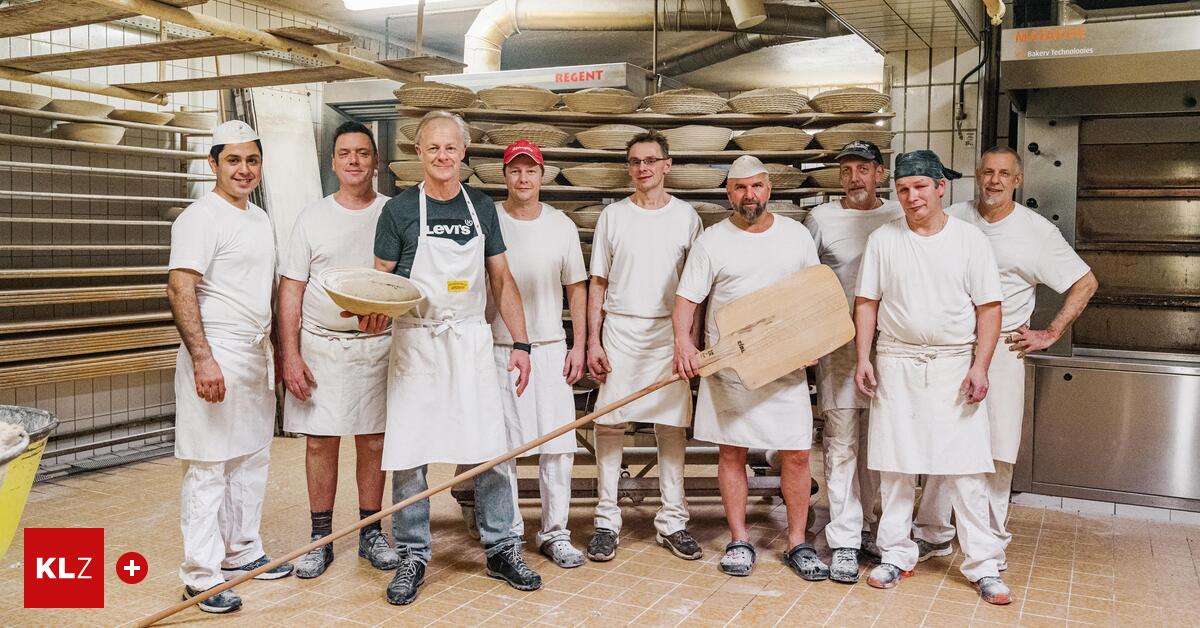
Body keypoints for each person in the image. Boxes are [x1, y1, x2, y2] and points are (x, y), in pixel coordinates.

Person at [371, 111, 539, 605]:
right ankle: (412, 554)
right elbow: (380, 281)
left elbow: (501, 280)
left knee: (489, 447)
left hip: (469, 340)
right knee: (410, 452)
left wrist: (523, 344)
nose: (442, 156)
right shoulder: (399, 210)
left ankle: (502, 547)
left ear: (463, 154)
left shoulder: (482, 207)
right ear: (419, 154)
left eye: (451, 148)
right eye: (433, 148)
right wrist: (370, 313)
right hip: (418, 342)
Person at [913, 146, 1097, 568]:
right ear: (977, 176)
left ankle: (991, 541)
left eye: (1003, 174)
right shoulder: (953, 217)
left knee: (997, 450)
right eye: (986, 172)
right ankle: (933, 532)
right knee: (944, 441)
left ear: (1018, 181)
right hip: (952, 349)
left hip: (1003, 352)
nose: (993, 181)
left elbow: (1085, 282)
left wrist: (1051, 332)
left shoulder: (1035, 232)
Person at [854, 150, 1012, 604]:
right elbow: (867, 302)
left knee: (965, 470)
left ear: (941, 187)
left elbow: (989, 309)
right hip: (896, 362)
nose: (911, 197)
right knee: (896, 467)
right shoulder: (884, 239)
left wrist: (980, 366)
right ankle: (895, 554)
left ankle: (984, 564)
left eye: (920, 187)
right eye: (903, 189)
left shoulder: (969, 241)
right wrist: (864, 358)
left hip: (952, 365)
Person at [674, 155, 829, 580]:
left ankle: (798, 542)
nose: (749, 196)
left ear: (769, 189)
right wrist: (684, 343)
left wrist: (813, 341)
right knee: (732, 450)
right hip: (732, 366)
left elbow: (815, 296)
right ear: (729, 193)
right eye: (740, 188)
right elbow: (687, 299)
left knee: (797, 453)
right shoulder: (713, 241)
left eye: (756, 187)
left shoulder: (796, 236)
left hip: (785, 364)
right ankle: (739, 539)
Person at [167, 120, 293, 614]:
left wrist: (280, 356)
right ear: (213, 163)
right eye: (233, 160)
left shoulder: (259, 219)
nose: (244, 169)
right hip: (216, 350)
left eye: (252, 160)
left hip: (252, 353)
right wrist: (202, 358)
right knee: (208, 465)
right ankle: (200, 575)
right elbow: (180, 288)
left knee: (250, 458)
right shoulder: (201, 217)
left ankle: (242, 553)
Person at [277, 121, 399, 579]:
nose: (353, 161)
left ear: (376, 162)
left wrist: (388, 314)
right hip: (320, 346)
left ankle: (371, 532)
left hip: (376, 344)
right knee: (320, 441)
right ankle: (320, 538)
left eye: (363, 153)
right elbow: (291, 290)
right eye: (345, 153)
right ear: (333, 162)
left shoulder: (393, 212)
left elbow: (404, 283)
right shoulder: (312, 217)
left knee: (373, 441)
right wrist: (290, 354)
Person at [585, 130, 703, 563]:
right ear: (629, 168)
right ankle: (605, 520)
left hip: (668, 335)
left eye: (651, 160)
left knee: (671, 426)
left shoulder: (687, 217)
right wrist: (594, 341)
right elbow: (598, 281)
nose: (643, 168)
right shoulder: (613, 217)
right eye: (635, 162)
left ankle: (672, 521)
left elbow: (697, 288)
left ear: (667, 165)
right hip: (621, 329)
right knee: (609, 423)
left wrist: (690, 341)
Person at [803, 140, 902, 583]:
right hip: (840, 345)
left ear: (880, 173)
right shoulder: (822, 218)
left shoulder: (900, 213)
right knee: (840, 442)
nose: (854, 178)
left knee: (881, 445)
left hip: (893, 345)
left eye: (863, 169)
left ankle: (874, 529)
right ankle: (843, 538)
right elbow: (803, 279)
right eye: (846, 171)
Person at [490, 140, 589, 568]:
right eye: (515, 170)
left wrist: (580, 344)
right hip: (500, 347)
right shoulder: (489, 218)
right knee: (504, 449)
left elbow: (577, 288)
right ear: (505, 175)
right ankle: (508, 533)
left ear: (542, 175)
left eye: (531, 171)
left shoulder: (562, 225)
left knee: (557, 447)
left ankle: (555, 532)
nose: (523, 178)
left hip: (550, 347)